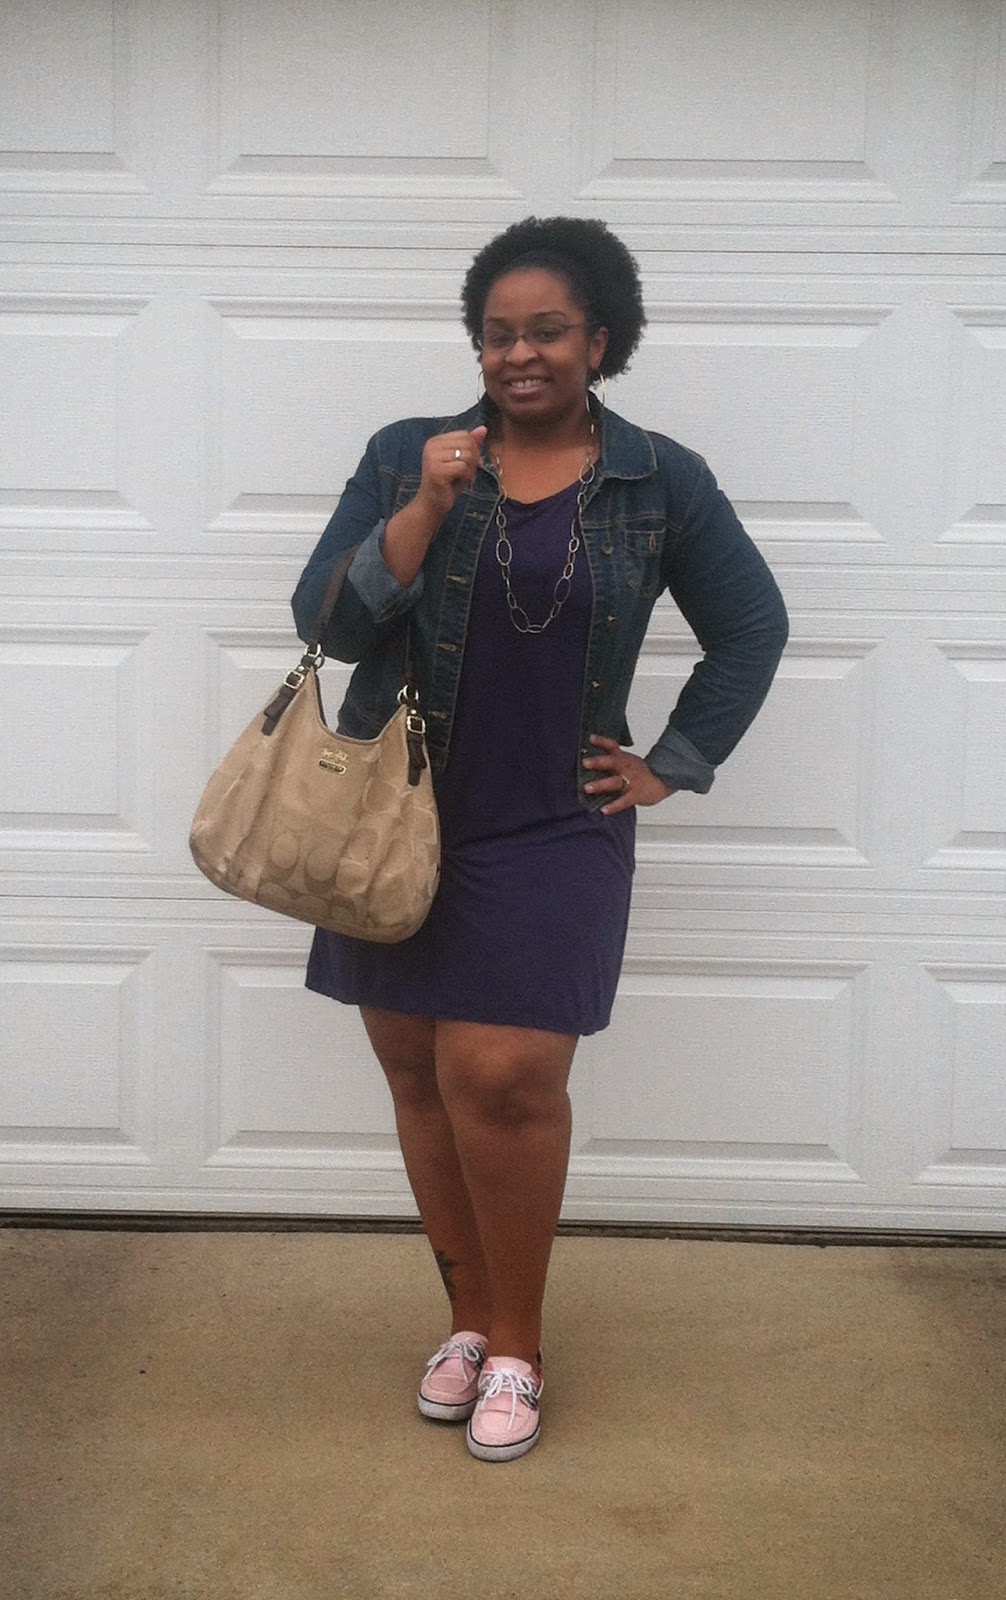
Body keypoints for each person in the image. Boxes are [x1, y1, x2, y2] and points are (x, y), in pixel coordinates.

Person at [292, 216, 788, 1463]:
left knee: (504, 1078)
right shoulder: (408, 455)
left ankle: (517, 1342)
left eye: (547, 330)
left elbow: (752, 626)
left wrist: (671, 762)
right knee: (419, 1076)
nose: (519, 352)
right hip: (399, 812)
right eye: (497, 332)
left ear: (599, 340)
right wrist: (425, 505)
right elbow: (330, 624)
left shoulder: (659, 480)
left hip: (555, 819)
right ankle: (466, 1322)